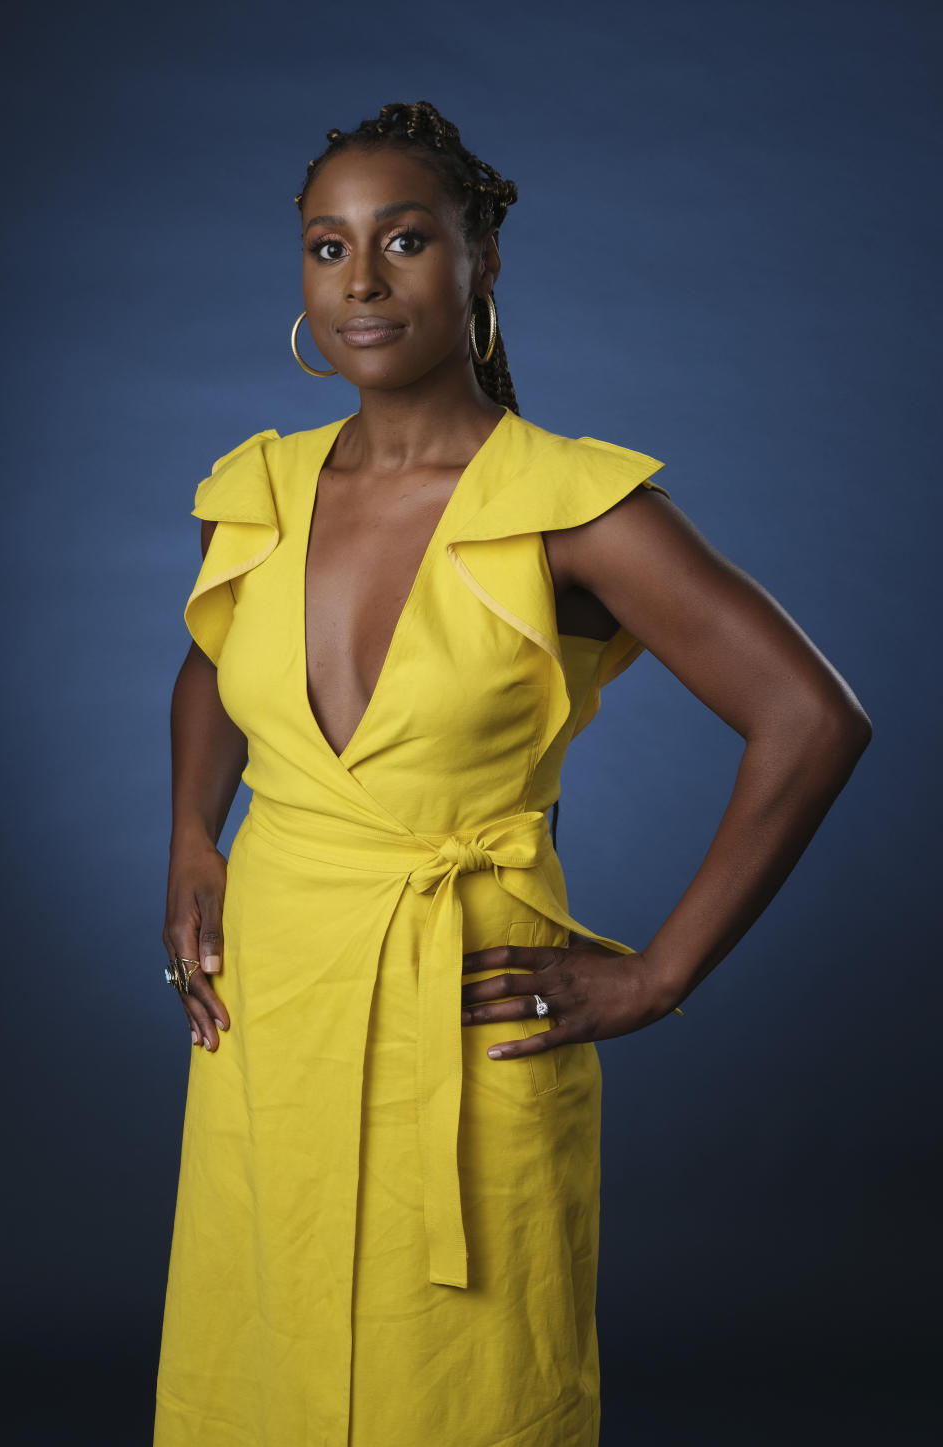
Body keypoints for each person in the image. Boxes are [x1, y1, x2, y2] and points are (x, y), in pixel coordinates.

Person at [153, 100, 871, 1447]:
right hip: (273, 1010)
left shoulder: (573, 506)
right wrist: (195, 836)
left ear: (481, 263)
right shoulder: (253, 489)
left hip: (465, 1010)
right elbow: (211, 667)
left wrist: (661, 977)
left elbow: (810, 718)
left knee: (468, 1389)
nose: (362, 282)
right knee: (259, 1364)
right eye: (327, 247)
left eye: (406, 240)